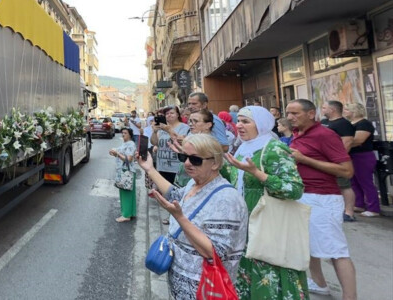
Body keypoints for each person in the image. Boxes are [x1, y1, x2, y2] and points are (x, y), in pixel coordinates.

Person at [137, 133, 248, 300]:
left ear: (215, 163)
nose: (187, 163)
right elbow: (175, 194)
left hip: (204, 288)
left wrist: (180, 218)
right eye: (184, 157)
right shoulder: (194, 183)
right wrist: (150, 169)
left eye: (195, 160)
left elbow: (214, 252)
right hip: (182, 284)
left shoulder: (227, 200)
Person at [223, 106, 308, 300]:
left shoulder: (274, 148)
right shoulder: (242, 148)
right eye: (239, 121)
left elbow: (294, 189)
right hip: (245, 224)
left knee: (267, 269)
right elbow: (234, 179)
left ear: (261, 124)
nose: (239, 125)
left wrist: (257, 173)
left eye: (246, 121)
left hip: (268, 223)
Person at [287, 99, 356, 299]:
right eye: (288, 113)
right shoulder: (298, 134)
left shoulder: (325, 135)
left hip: (323, 198)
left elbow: (347, 170)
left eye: (295, 113)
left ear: (311, 114)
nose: (290, 117)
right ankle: (319, 283)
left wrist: (305, 159)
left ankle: (350, 296)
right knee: (307, 245)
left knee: (336, 250)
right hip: (303, 195)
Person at [321, 100, 357, 222]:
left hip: (337, 161)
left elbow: (347, 143)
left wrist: (337, 160)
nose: (322, 110)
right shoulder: (323, 122)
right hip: (323, 160)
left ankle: (349, 212)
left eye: (324, 107)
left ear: (332, 110)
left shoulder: (344, 124)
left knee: (344, 186)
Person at [343, 102, 380, 217]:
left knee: (365, 181)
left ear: (354, 111)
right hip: (352, 155)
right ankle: (359, 204)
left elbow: (359, 140)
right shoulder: (350, 124)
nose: (345, 112)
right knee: (354, 181)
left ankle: (373, 208)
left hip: (362, 155)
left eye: (347, 110)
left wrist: (344, 144)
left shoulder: (364, 123)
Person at [174, 109, 215, 187]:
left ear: (208, 125)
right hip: (183, 186)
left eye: (195, 121)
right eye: (190, 121)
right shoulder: (191, 139)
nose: (190, 124)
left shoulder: (211, 145)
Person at [150, 106, 189, 184]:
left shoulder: (185, 127)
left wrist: (168, 130)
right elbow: (154, 142)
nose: (169, 115)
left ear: (178, 115)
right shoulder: (161, 128)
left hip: (177, 167)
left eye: (172, 113)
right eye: (167, 113)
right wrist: (154, 132)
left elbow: (181, 142)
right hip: (162, 166)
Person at [109, 128, 138, 222]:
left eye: (125, 133)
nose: (123, 134)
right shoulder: (125, 143)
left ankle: (126, 215)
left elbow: (128, 159)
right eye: (122, 133)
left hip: (127, 171)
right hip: (123, 170)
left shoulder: (131, 144)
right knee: (127, 192)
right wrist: (114, 153)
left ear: (130, 135)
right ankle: (130, 212)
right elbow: (121, 154)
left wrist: (117, 153)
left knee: (126, 193)